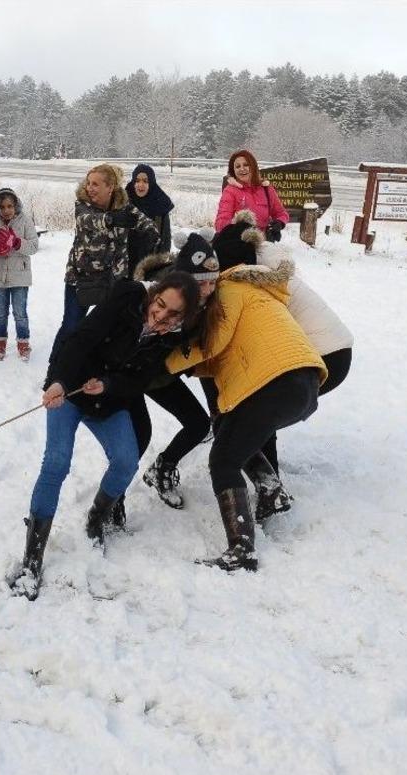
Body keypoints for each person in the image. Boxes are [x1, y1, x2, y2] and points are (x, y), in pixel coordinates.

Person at [12, 273, 201, 600]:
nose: (160, 316)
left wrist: (110, 385)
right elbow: (80, 339)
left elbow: (140, 381)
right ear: (153, 295)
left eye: (172, 314)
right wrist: (58, 381)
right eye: (159, 305)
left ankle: (97, 518)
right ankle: (32, 557)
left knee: (126, 461)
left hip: (108, 400)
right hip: (69, 390)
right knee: (56, 462)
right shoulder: (126, 300)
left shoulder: (170, 337)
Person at [166, 221, 327, 572]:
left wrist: (164, 364)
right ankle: (271, 490)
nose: (206, 289)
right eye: (198, 284)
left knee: (222, 461)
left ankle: (241, 550)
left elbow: (213, 345)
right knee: (229, 429)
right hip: (302, 383)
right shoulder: (249, 290)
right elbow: (219, 358)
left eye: (208, 281)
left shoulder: (230, 290)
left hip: (276, 383)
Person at [206, 210, 354, 521]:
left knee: (254, 407)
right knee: (260, 411)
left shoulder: (254, 278)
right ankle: (269, 483)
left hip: (321, 352)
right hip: (336, 349)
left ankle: (270, 487)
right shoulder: (266, 262)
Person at [132, 231, 218, 509]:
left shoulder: (204, 301)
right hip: (136, 374)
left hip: (163, 375)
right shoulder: (161, 296)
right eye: (204, 284)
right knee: (135, 441)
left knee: (199, 424)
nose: (211, 290)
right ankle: (113, 500)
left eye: (214, 282)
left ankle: (162, 468)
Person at [47, 164, 161, 370]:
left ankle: (92, 366)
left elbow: (145, 224)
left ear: (110, 187)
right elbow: (87, 221)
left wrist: (151, 234)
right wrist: (110, 219)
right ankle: (56, 365)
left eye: (96, 184)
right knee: (72, 325)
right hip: (81, 278)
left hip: (112, 280)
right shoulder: (82, 205)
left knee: (102, 327)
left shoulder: (125, 207)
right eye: (89, 183)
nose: (90, 188)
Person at [0, 188, 39, 362]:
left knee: (20, 312)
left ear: (16, 206)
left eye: (10, 206)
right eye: (2, 207)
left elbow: (34, 246)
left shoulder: (24, 221)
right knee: (0, 312)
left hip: (20, 276)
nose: (6, 210)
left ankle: (23, 343)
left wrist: (16, 242)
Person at [214, 149, 289, 240]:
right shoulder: (230, 191)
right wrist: (238, 226)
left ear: (253, 166)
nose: (242, 169)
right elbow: (220, 223)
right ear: (233, 171)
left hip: (264, 243)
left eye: (246, 165)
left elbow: (281, 213)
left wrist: (279, 223)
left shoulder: (266, 189)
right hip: (239, 244)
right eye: (238, 166)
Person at [124, 163, 173, 274]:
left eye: (145, 181)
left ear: (151, 182)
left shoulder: (161, 204)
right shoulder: (123, 202)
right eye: (137, 181)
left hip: (149, 267)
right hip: (124, 265)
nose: (140, 185)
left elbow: (165, 241)